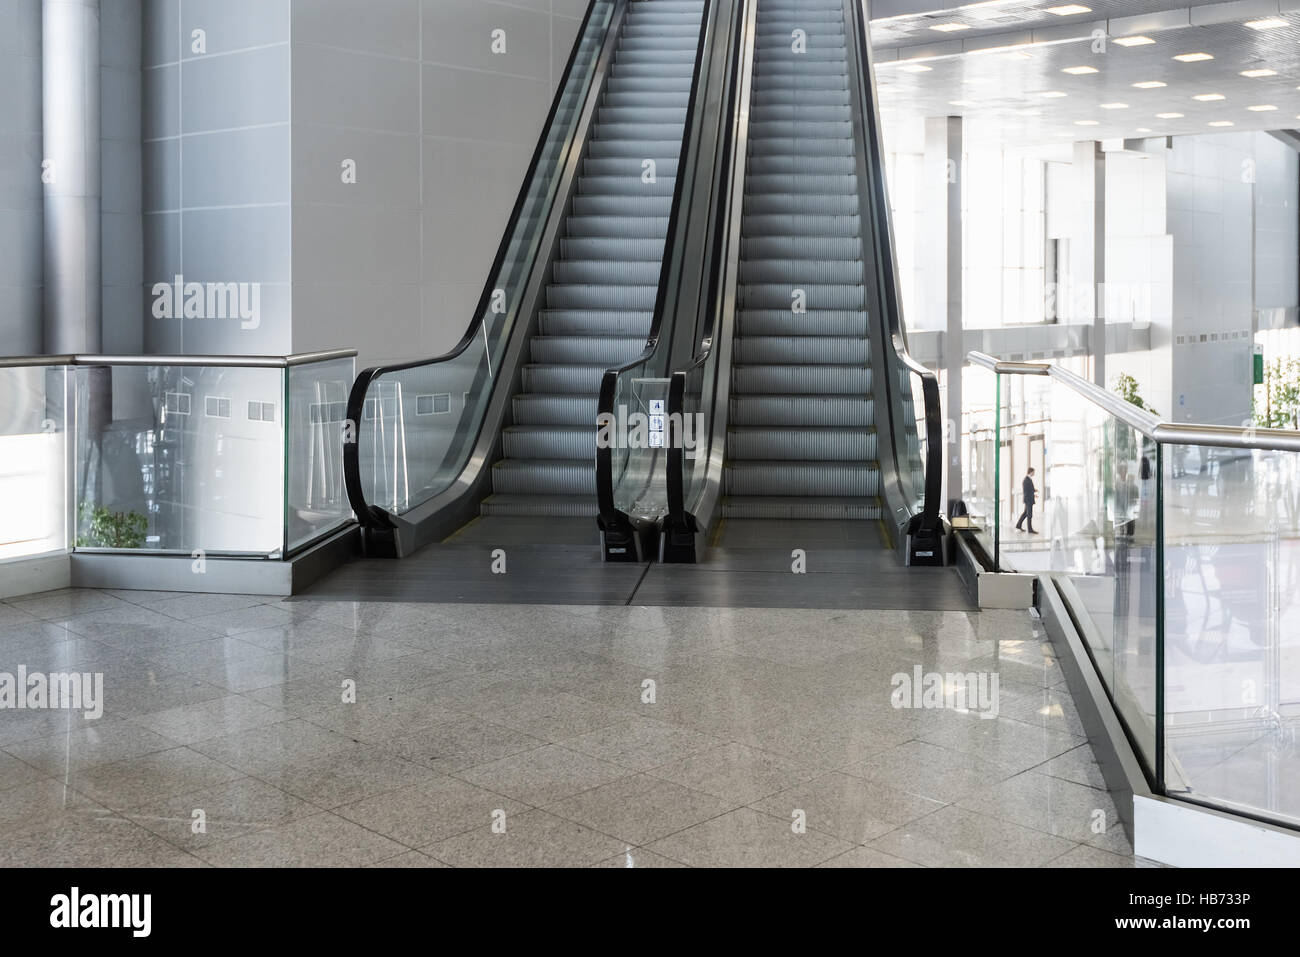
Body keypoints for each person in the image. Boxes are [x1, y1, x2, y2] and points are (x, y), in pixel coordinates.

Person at [1015, 467, 1037, 534]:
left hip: (1029, 499)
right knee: (1029, 514)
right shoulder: (1026, 480)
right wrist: (1033, 493)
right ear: (1030, 472)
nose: (1034, 473)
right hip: (1028, 500)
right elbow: (1026, 491)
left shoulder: (1028, 479)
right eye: (1033, 472)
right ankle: (1030, 530)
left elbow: (1029, 489)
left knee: (1025, 513)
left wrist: (1034, 491)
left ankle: (1018, 525)